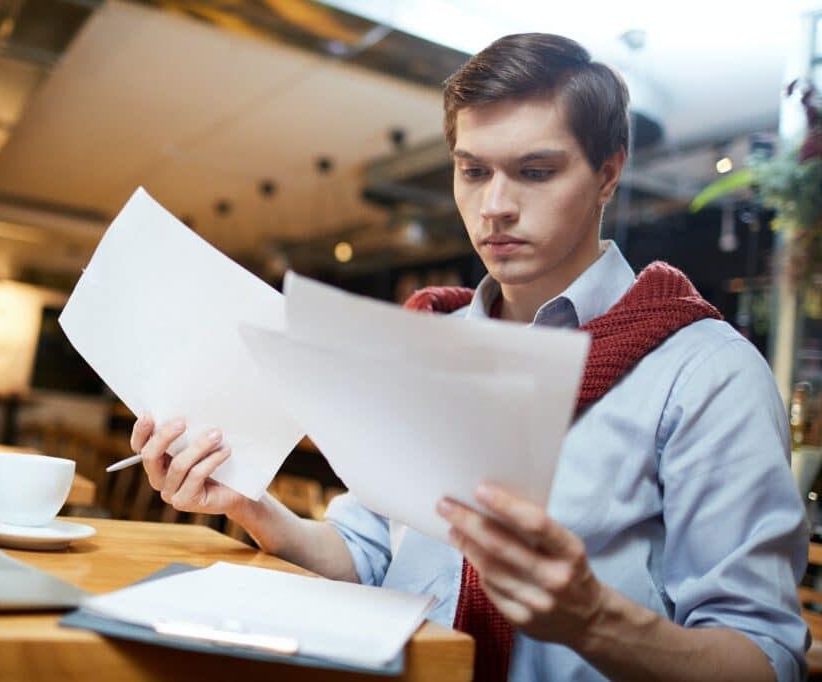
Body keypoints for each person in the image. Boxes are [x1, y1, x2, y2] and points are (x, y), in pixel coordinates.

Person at [129, 33, 808, 681]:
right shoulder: (426, 339)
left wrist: (593, 618)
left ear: (609, 173)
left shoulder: (707, 374)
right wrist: (250, 505)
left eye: (536, 172)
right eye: (473, 171)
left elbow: (763, 660)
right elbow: (370, 557)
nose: (496, 207)